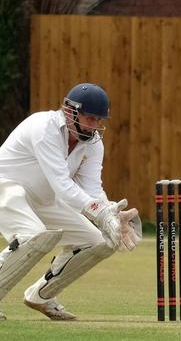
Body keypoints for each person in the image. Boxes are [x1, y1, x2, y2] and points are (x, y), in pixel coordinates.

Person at [0, 83, 142, 321]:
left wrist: (111, 214)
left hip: (44, 199)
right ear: (70, 111)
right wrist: (101, 213)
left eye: (99, 120)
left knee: (99, 241)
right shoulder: (44, 128)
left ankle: (41, 295)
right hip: (6, 188)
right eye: (90, 118)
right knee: (33, 236)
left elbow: (91, 189)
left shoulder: (93, 143)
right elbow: (63, 187)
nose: (94, 126)